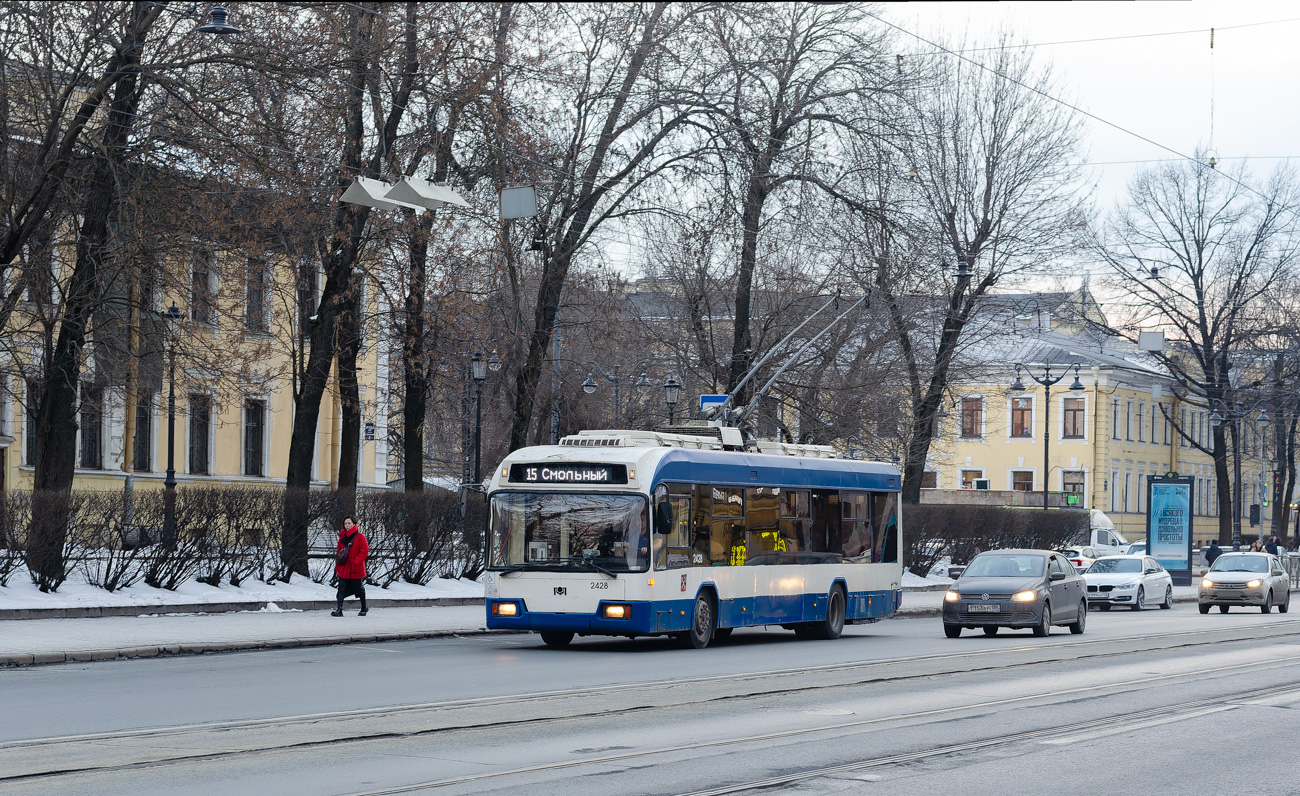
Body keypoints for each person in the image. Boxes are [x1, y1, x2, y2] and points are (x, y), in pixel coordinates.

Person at [332, 516, 369, 617]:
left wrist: (356, 561)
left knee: (359, 589)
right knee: (340, 589)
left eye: (349, 523)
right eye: (345, 524)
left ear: (354, 524)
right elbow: (339, 552)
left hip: (355, 569)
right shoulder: (342, 537)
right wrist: (338, 566)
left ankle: (363, 608)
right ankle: (339, 610)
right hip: (344, 568)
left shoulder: (360, 536)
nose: (347, 526)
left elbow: (364, 551)